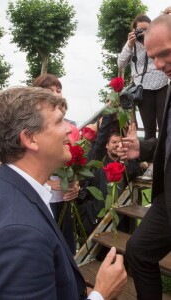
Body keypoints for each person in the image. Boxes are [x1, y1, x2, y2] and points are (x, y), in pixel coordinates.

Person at [0, 86, 127, 299]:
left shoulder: (1, 187)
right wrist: (102, 294)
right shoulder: (18, 233)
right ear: (30, 139)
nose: (69, 130)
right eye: (59, 121)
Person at [117, 15, 171, 300]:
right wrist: (144, 148)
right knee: (138, 251)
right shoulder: (170, 84)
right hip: (166, 200)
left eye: (165, 54)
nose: (160, 65)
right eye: (154, 57)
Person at [32, 73, 80, 253]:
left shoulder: (70, 128)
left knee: (66, 248)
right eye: (49, 90)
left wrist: (75, 185)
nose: (55, 94)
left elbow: (75, 162)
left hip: (64, 200)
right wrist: (49, 183)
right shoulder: (27, 125)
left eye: (58, 90)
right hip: (41, 201)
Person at [118, 14, 168, 141]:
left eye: (147, 29)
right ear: (134, 31)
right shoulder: (132, 44)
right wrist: (129, 44)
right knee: (149, 128)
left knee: (165, 125)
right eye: (140, 30)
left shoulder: (156, 39)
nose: (144, 33)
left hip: (162, 85)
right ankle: (152, 158)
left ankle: (165, 157)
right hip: (143, 88)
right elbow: (121, 63)